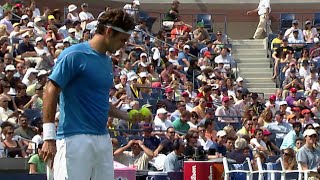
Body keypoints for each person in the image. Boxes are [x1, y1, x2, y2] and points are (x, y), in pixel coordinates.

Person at [41, 9, 138, 180]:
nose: (123, 45)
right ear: (109, 32)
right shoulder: (74, 55)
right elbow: (50, 90)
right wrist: (49, 137)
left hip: (102, 140)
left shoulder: (107, 62)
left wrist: (125, 115)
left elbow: (99, 101)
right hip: (74, 139)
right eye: (122, 40)